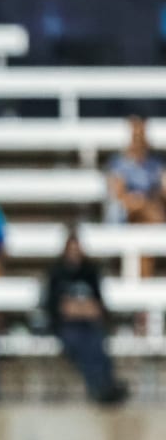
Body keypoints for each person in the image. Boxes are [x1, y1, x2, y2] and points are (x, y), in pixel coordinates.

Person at [44, 231, 129, 404]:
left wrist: (80, 309)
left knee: (97, 345)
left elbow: (97, 305)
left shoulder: (90, 271)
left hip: (89, 324)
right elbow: (57, 307)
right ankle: (98, 388)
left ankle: (107, 385)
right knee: (82, 346)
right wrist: (78, 309)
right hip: (66, 327)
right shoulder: (57, 273)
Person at [106, 116, 164, 277]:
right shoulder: (119, 163)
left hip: (147, 217)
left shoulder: (155, 164)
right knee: (147, 215)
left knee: (146, 228)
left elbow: (162, 189)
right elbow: (118, 194)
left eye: (142, 134)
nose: (139, 140)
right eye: (136, 135)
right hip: (127, 213)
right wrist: (140, 202)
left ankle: (142, 280)